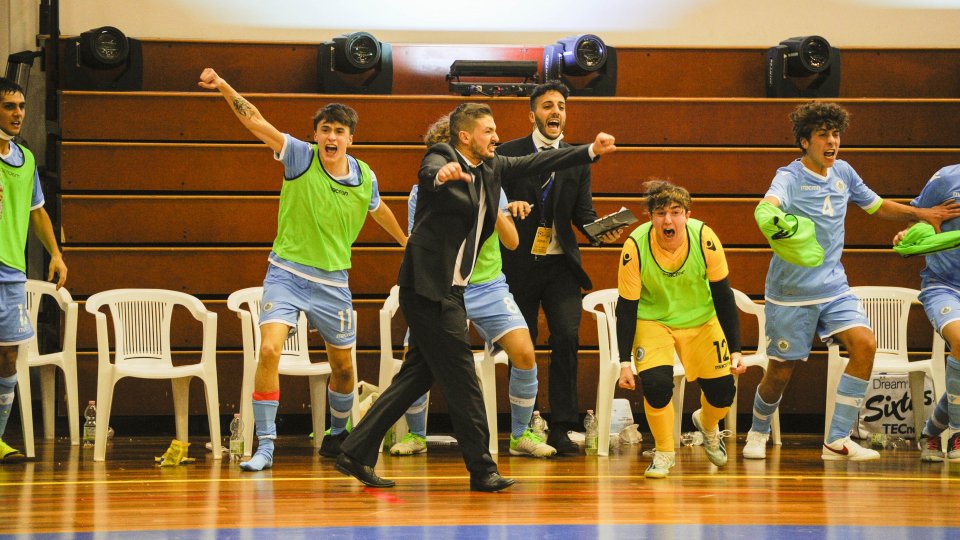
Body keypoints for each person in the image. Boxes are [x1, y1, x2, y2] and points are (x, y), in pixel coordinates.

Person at [335, 103, 616, 491]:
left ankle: (352, 452)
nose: (496, 137)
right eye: (488, 131)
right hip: (429, 290)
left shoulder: (493, 167)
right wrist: (443, 175)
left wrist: (590, 152)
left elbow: (534, 163)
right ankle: (482, 469)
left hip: (454, 289)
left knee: (416, 377)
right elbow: (429, 172)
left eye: (496, 130)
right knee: (464, 380)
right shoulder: (442, 155)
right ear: (465, 136)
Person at [197, 68, 407, 471]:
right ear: (315, 135)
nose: (331, 137)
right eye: (325, 129)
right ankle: (266, 445)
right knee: (270, 350)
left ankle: (337, 432)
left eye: (339, 131)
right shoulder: (299, 155)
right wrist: (225, 87)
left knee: (344, 368)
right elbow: (255, 120)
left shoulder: (365, 176)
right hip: (286, 274)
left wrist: (405, 243)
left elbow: (377, 210)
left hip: (333, 282)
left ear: (351, 139)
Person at [743, 102, 960, 462]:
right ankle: (758, 430)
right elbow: (770, 203)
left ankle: (837, 439)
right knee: (781, 370)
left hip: (834, 287)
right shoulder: (790, 177)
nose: (832, 142)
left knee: (864, 344)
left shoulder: (843, 171)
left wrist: (920, 214)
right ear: (804, 142)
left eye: (836, 134)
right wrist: (769, 215)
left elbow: (876, 206)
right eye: (823, 135)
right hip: (792, 292)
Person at [391, 115, 555, 459]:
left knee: (524, 352)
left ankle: (521, 434)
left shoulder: (492, 183)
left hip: (488, 286)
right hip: (443, 290)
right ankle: (417, 436)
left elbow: (511, 243)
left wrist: (491, 202)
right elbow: (416, 245)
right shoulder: (422, 194)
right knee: (415, 358)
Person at [497, 82, 622, 454]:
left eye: (562, 106)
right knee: (523, 343)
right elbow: (492, 204)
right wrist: (509, 207)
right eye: (548, 105)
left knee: (567, 336)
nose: (556, 112)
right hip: (517, 264)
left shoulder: (577, 158)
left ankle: (563, 424)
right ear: (532, 114)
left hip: (559, 264)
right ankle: (527, 421)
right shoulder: (508, 154)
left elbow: (583, 214)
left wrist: (601, 232)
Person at [615, 180, 744, 478]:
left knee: (723, 392)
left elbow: (724, 296)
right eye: (660, 213)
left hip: (702, 320)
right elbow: (627, 307)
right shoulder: (635, 245)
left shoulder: (704, 239)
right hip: (653, 321)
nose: (668, 220)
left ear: (687, 214)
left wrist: (736, 349)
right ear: (650, 217)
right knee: (658, 385)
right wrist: (624, 362)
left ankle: (708, 425)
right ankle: (663, 452)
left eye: (675, 212)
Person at [0, 77, 68, 463]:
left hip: (10, 273)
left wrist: (56, 254)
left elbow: (36, 211)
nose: (19, 114)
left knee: (7, 357)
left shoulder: (24, 159)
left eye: (22, 106)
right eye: (10, 106)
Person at [892, 164, 960, 463]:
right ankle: (957, 434)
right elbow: (915, 218)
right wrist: (907, 235)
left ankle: (931, 430)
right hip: (943, 286)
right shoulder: (946, 178)